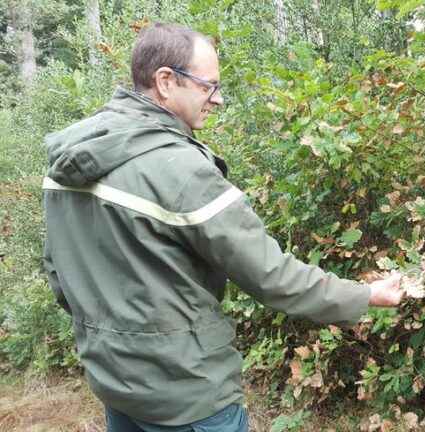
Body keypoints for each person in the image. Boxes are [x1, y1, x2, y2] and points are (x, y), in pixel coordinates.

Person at [41, 22, 403, 432]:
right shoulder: (180, 172)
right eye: (207, 86)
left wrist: (111, 335)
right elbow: (271, 275)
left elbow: (58, 271)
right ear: (165, 81)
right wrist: (365, 294)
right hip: (189, 395)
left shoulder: (68, 159)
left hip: (115, 384)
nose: (218, 99)